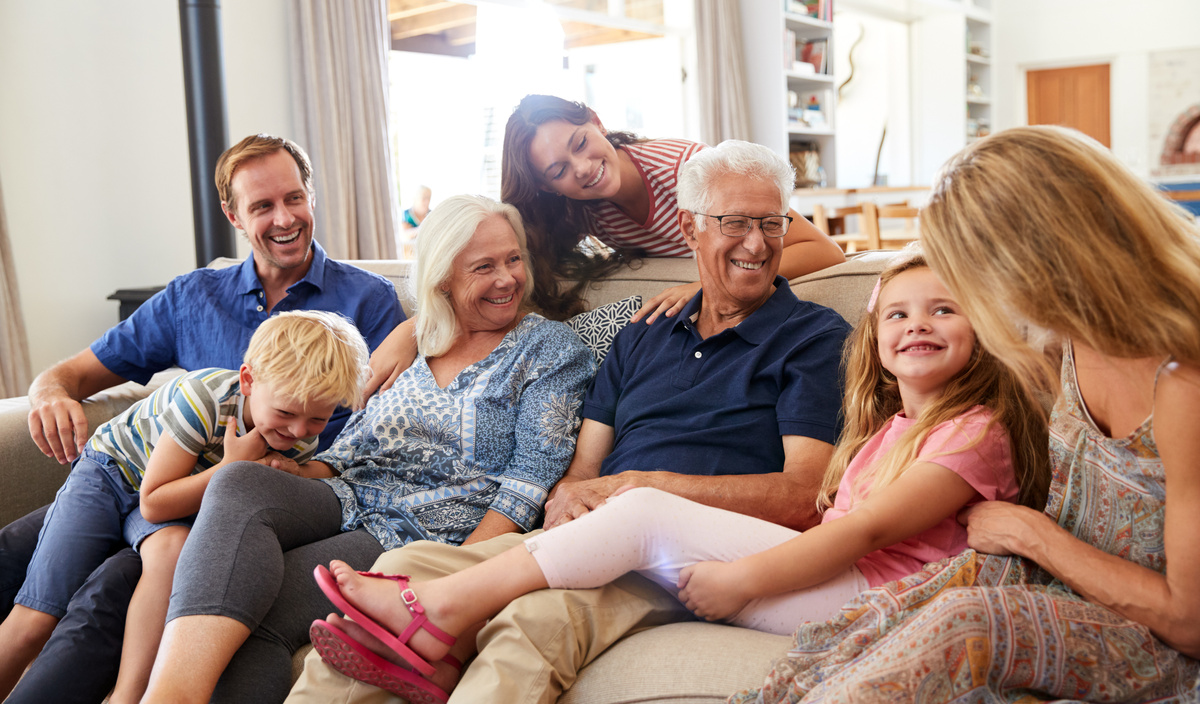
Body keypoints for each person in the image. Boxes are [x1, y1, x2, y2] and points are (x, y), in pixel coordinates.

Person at [306, 251, 1052, 701]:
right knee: (402, 562)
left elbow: (853, 528)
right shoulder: (648, 328)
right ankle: (425, 609)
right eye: (896, 315)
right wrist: (416, 326)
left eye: (943, 310)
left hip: (864, 593)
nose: (915, 325)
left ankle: (436, 612)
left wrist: (744, 578)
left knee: (638, 520)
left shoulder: (966, 428)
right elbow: (566, 387)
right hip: (764, 558)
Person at [285, 140, 852, 704]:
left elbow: (804, 495)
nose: (756, 242)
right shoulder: (646, 331)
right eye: (734, 222)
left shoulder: (812, 337)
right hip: (597, 534)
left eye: (771, 223)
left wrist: (641, 487)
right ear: (689, 228)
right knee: (400, 570)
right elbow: (582, 467)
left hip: (687, 555)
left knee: (535, 617)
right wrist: (568, 504)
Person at [731, 126, 1200, 704]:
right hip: (1052, 585)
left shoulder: (1184, 384)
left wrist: (1036, 536)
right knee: (879, 618)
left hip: (1158, 642)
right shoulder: (1064, 343)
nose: (981, 300)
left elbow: (1190, 622)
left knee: (961, 622)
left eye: (975, 275)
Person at [139, 195, 596, 704]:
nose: (508, 278)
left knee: (263, 612)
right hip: (348, 492)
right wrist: (288, 472)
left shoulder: (551, 351)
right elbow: (353, 445)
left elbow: (530, 479)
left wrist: (462, 575)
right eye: (484, 266)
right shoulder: (420, 338)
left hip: (422, 528)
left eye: (513, 259)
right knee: (237, 479)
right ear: (442, 276)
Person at [0, 133, 403, 704]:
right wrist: (50, 392)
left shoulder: (368, 302)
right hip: (141, 473)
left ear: (312, 196)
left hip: (224, 508)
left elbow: (386, 431)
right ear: (233, 213)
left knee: (115, 579)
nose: (284, 218)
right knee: (18, 548)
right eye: (262, 205)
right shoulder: (194, 296)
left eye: (294, 198)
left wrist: (419, 328)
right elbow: (75, 375)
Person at [362, 96, 846, 397]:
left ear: (595, 120)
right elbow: (489, 269)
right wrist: (417, 328)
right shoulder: (581, 207)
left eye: (579, 142)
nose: (582, 168)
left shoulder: (685, 169)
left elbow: (823, 250)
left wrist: (699, 284)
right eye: (558, 171)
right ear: (550, 188)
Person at [0, 311, 369, 704]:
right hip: (114, 474)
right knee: (37, 618)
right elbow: (154, 501)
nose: (298, 431)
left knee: (172, 552)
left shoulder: (295, 437)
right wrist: (233, 468)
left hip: (178, 495)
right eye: (285, 413)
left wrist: (296, 470)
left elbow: (280, 474)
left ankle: (129, 695)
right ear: (248, 380)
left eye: (318, 419)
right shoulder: (204, 398)